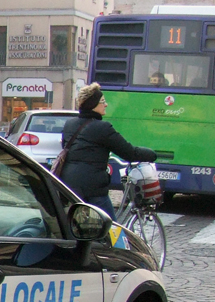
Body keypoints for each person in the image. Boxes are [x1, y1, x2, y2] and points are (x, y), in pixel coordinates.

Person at [59, 82, 156, 220]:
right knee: (111, 229)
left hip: (68, 184)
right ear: (93, 104)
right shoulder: (102, 128)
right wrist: (152, 154)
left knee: (77, 226)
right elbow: (129, 152)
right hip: (92, 188)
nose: (106, 104)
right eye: (102, 101)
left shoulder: (70, 124)